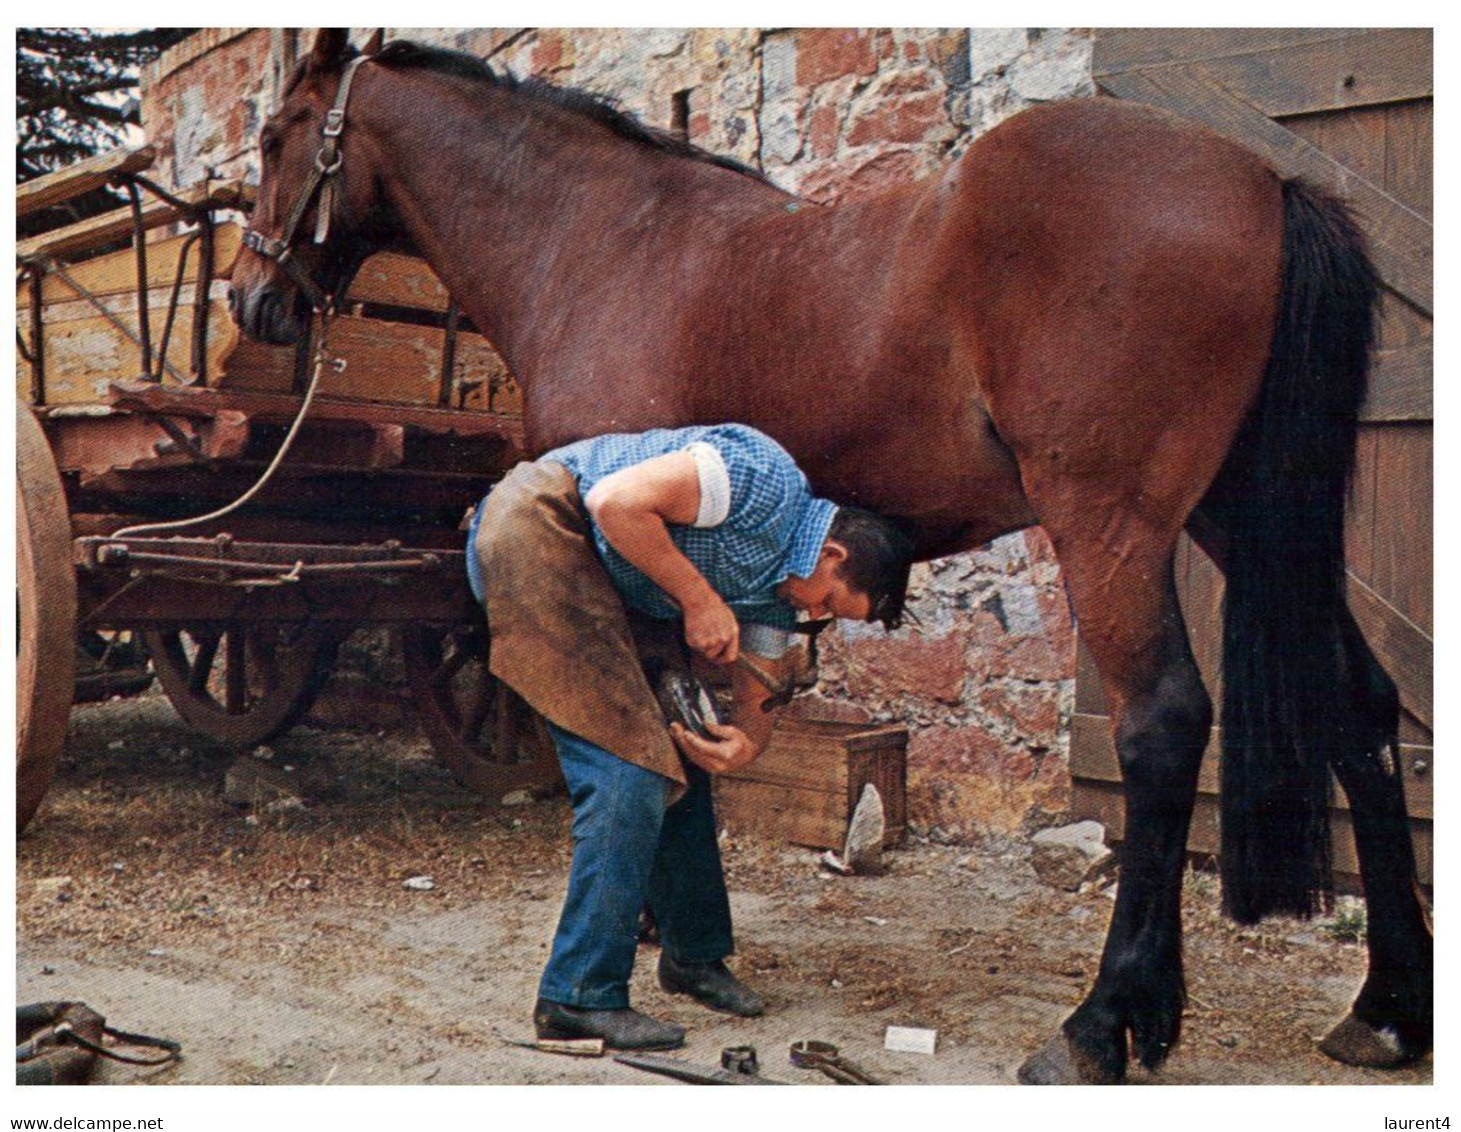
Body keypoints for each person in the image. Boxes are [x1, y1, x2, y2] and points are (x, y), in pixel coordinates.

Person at [467, 423, 914, 1050]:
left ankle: (692, 956)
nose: (818, 616)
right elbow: (615, 503)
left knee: (687, 745)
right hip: (540, 526)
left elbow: (760, 673)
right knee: (628, 772)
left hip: (608, 582)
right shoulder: (764, 483)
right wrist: (701, 600)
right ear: (834, 557)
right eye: (832, 604)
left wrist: (748, 742)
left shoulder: (784, 592)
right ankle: (577, 997)